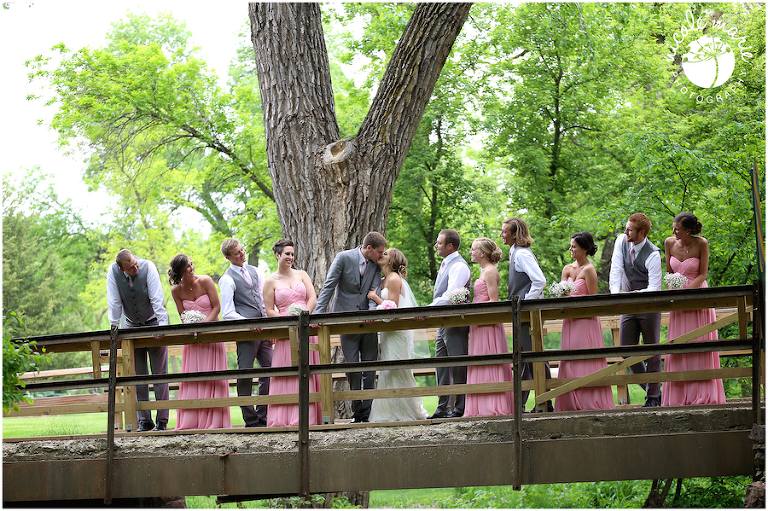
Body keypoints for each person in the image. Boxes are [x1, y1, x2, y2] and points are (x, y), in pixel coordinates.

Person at [314, 232, 387, 423]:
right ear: (369, 248)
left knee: (370, 368)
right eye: (380, 251)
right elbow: (329, 287)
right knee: (352, 368)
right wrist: (318, 314)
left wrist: (372, 313)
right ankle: (357, 413)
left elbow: (375, 290)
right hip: (346, 322)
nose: (382, 255)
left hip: (368, 324)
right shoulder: (343, 258)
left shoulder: (376, 265)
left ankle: (368, 414)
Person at [661, 212, 726, 406]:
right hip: (678, 302)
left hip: (697, 298)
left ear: (688, 230)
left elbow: (703, 274)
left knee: (699, 343)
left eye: (677, 229)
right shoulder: (669, 243)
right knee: (679, 345)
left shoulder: (702, 244)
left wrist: (686, 293)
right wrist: (673, 289)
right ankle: (679, 396)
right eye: (673, 228)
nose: (673, 231)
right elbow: (670, 272)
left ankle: (703, 394)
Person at [106, 249, 170, 432]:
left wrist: (162, 326)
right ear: (121, 269)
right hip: (131, 326)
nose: (136, 267)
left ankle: (162, 421)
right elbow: (115, 302)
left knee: (160, 375)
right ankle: (145, 420)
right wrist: (114, 329)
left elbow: (157, 297)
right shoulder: (112, 272)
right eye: (131, 267)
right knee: (138, 377)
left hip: (153, 323)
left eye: (135, 263)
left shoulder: (148, 266)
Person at [553, 233, 616, 412]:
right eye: (570, 246)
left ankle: (590, 401)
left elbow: (593, 299)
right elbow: (561, 294)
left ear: (584, 249)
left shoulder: (589, 269)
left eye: (574, 246)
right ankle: (570, 401)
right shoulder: (566, 268)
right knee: (571, 360)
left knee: (585, 359)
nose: (571, 249)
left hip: (586, 322)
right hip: (570, 322)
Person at [263, 239, 322, 427]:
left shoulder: (302, 275)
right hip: (285, 334)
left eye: (292, 254)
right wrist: (288, 321)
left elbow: (312, 297)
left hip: (305, 329)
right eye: (287, 254)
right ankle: (283, 419)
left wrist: (304, 316)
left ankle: (308, 417)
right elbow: (269, 310)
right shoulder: (270, 282)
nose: (290, 257)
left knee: (307, 371)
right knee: (286, 373)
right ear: (277, 255)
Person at [168, 254, 231, 430]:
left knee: (213, 377)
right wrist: (192, 327)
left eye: (192, 263)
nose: (192, 268)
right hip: (193, 340)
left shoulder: (205, 281)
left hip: (212, 335)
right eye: (188, 266)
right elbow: (182, 316)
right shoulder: (176, 291)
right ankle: (192, 421)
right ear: (180, 271)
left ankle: (214, 421)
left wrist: (204, 325)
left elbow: (217, 307)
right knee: (194, 378)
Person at [366, 248, 429, 422]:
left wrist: (375, 297)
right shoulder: (384, 279)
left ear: (392, 260)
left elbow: (391, 308)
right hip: (388, 332)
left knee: (397, 369)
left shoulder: (393, 279)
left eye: (385, 254)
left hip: (397, 332)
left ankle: (406, 411)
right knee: (388, 368)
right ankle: (389, 411)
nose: (381, 255)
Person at [609, 213, 663, 407]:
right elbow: (616, 268)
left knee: (652, 351)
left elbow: (655, 288)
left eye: (630, 229)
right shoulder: (621, 241)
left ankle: (653, 398)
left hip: (649, 305)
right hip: (628, 304)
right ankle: (653, 390)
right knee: (626, 350)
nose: (625, 232)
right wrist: (616, 295)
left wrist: (631, 295)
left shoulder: (653, 254)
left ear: (642, 233)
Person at [500, 217, 552, 412]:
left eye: (504, 231)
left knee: (535, 357)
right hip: (521, 315)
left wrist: (525, 303)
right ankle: (520, 405)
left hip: (528, 315)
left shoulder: (522, 254)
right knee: (522, 360)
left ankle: (547, 402)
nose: (501, 235)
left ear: (515, 234)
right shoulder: (515, 253)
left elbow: (540, 280)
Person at [219, 238, 272, 427]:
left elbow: (263, 300)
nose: (242, 254)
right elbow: (227, 312)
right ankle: (250, 420)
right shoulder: (226, 279)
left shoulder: (255, 271)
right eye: (237, 253)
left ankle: (264, 415)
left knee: (271, 370)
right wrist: (248, 324)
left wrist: (269, 325)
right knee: (245, 374)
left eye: (242, 250)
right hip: (246, 333)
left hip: (263, 330)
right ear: (228, 257)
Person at [464, 238, 514, 417]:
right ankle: (479, 407)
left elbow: (494, 302)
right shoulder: (483, 271)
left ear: (482, 253)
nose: (470, 252)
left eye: (473, 249)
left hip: (487, 326)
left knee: (488, 364)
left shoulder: (491, 272)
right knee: (479, 364)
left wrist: (478, 315)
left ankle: (491, 406)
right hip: (478, 324)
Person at [428, 229, 471, 419]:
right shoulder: (446, 264)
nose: (436, 245)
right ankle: (442, 408)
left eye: (439, 243)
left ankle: (459, 408)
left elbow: (451, 294)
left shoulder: (459, 266)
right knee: (441, 365)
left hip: (454, 321)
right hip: (442, 321)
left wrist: (429, 307)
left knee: (457, 365)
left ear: (449, 246)